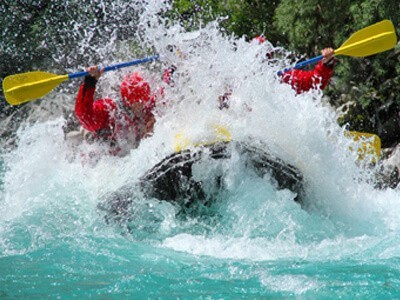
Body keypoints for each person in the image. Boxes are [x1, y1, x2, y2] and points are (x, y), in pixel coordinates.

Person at [74, 66, 156, 157]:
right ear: (128, 102)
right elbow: (85, 116)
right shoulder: (110, 110)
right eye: (138, 102)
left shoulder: (147, 107)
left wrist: (171, 69)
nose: (142, 106)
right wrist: (90, 82)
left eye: (144, 101)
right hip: (102, 160)